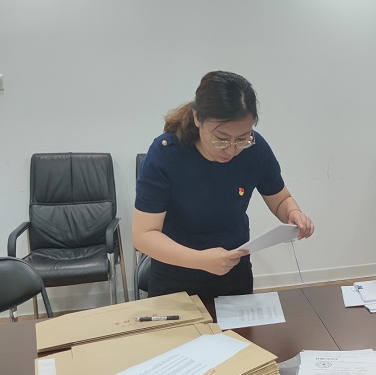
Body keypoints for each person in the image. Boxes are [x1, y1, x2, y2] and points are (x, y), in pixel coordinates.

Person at [133, 70, 314, 299]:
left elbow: (280, 200)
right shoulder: (166, 154)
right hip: (176, 278)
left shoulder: (255, 149)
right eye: (221, 139)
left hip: (234, 276)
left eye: (242, 139)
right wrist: (200, 260)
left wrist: (293, 213)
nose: (232, 149)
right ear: (198, 118)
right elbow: (144, 235)